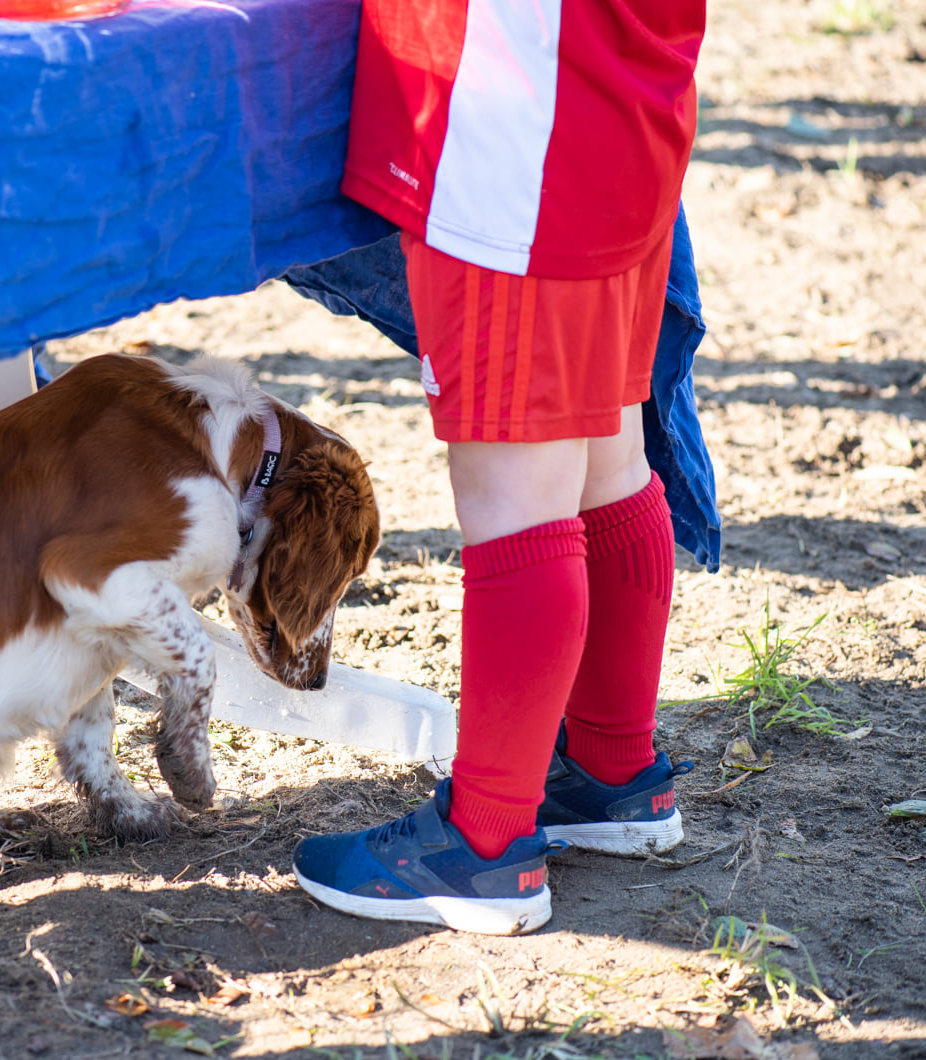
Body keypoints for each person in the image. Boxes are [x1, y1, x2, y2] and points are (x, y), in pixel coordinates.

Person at [286, 1, 710, 936]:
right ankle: (611, 773)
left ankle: (482, 845)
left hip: (513, 110)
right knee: (607, 453)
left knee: (517, 493)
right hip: (613, 94)